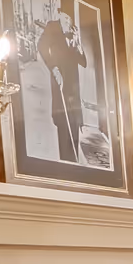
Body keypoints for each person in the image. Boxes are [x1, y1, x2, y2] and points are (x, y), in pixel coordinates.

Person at [35, 12, 89, 164]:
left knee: (74, 125)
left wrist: (78, 44)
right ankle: (66, 164)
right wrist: (53, 68)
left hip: (74, 88)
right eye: (66, 19)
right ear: (60, 16)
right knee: (63, 124)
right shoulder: (52, 27)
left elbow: (83, 62)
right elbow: (41, 46)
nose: (68, 23)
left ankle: (75, 165)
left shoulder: (72, 33)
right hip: (61, 82)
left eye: (70, 21)